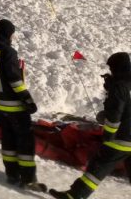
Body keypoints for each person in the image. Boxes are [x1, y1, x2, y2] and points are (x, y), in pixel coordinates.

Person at [49, 52, 131, 198]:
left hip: (121, 138)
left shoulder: (119, 86)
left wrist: (109, 135)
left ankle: (75, 196)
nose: (111, 71)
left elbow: (114, 114)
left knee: (97, 168)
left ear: (117, 67)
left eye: (112, 68)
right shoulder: (124, 84)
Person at [0, 19, 44, 190]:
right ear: (8, 34)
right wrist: (27, 99)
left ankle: (12, 174)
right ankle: (28, 178)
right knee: (25, 140)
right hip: (13, 105)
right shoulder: (9, 52)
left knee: (7, 138)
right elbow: (15, 80)